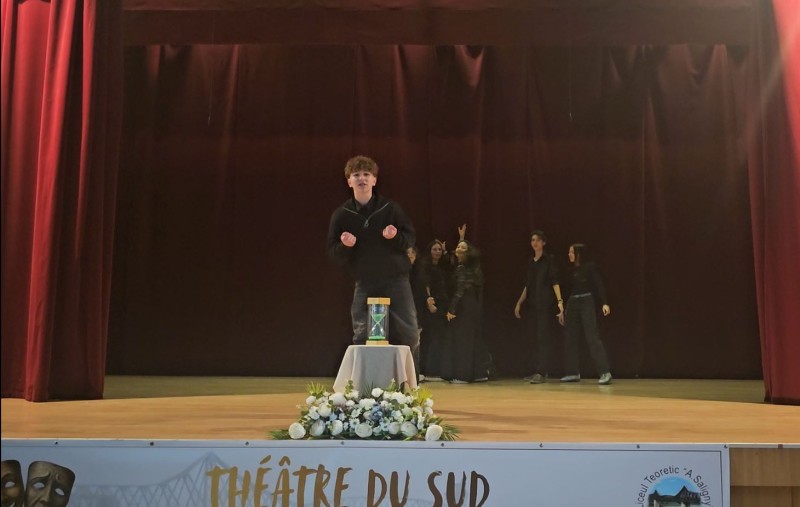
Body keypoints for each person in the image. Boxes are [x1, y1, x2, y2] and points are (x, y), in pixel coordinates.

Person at [327, 155, 421, 375]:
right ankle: (363, 383)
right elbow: (333, 254)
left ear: (374, 180)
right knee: (361, 333)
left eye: (366, 174)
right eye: (356, 175)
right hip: (365, 281)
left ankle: (411, 382)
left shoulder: (391, 208)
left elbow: (409, 239)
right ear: (349, 181)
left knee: (409, 332)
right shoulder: (342, 214)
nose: (362, 179)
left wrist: (395, 236)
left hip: (396, 280)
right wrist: (345, 246)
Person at [514, 230, 565, 384]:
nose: (534, 243)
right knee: (534, 337)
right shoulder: (531, 262)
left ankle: (542, 371)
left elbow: (555, 281)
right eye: (532, 240)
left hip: (545, 304)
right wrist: (519, 303)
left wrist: (560, 301)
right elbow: (528, 285)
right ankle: (537, 370)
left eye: (537, 240)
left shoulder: (549, 260)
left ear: (543, 242)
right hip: (533, 304)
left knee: (543, 338)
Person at [561, 243, 613, 385]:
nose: (569, 255)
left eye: (572, 252)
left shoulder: (589, 267)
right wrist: (562, 310)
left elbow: (598, 284)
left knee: (592, 336)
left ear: (578, 254)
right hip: (572, 302)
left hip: (586, 300)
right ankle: (572, 372)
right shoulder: (570, 269)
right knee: (570, 336)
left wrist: (605, 303)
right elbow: (566, 290)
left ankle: (605, 372)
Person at [441, 239, 488, 383]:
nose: (458, 248)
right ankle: (478, 373)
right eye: (458, 246)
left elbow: (460, 290)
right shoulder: (473, 268)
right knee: (472, 339)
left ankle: (463, 375)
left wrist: (452, 309)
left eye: (462, 247)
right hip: (472, 305)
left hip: (464, 306)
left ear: (467, 252)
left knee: (462, 341)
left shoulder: (462, 268)